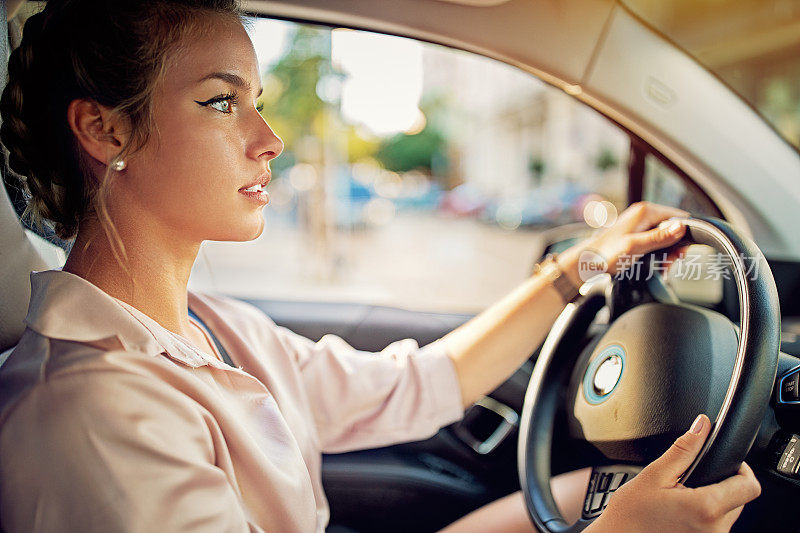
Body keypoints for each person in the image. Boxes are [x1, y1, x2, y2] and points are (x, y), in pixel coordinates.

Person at [0, 1, 761, 532]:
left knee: (589, 491)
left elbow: (423, 382)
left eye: (256, 101)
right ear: (103, 129)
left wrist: (586, 262)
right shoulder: (88, 416)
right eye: (220, 103)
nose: (269, 138)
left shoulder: (213, 325)